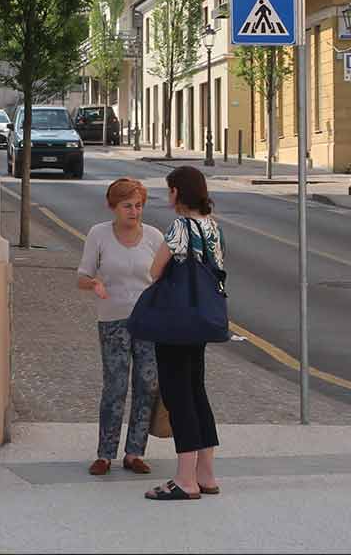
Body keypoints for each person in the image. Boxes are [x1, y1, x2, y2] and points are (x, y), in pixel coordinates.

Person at [144, 165, 225, 501]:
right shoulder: (212, 226)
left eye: (170, 189)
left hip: (176, 322)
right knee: (196, 391)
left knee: (178, 397)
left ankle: (185, 479)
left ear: (177, 191)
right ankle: (206, 474)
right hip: (201, 320)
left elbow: (155, 270)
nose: (168, 195)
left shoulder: (181, 226)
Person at [77, 178, 163, 476]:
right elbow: (81, 276)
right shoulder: (98, 234)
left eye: (138, 206)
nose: (134, 212)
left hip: (148, 322)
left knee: (147, 385)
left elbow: (165, 278)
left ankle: (135, 452)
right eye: (127, 206)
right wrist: (94, 283)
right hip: (113, 320)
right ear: (112, 206)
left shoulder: (154, 237)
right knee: (115, 385)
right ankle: (105, 454)